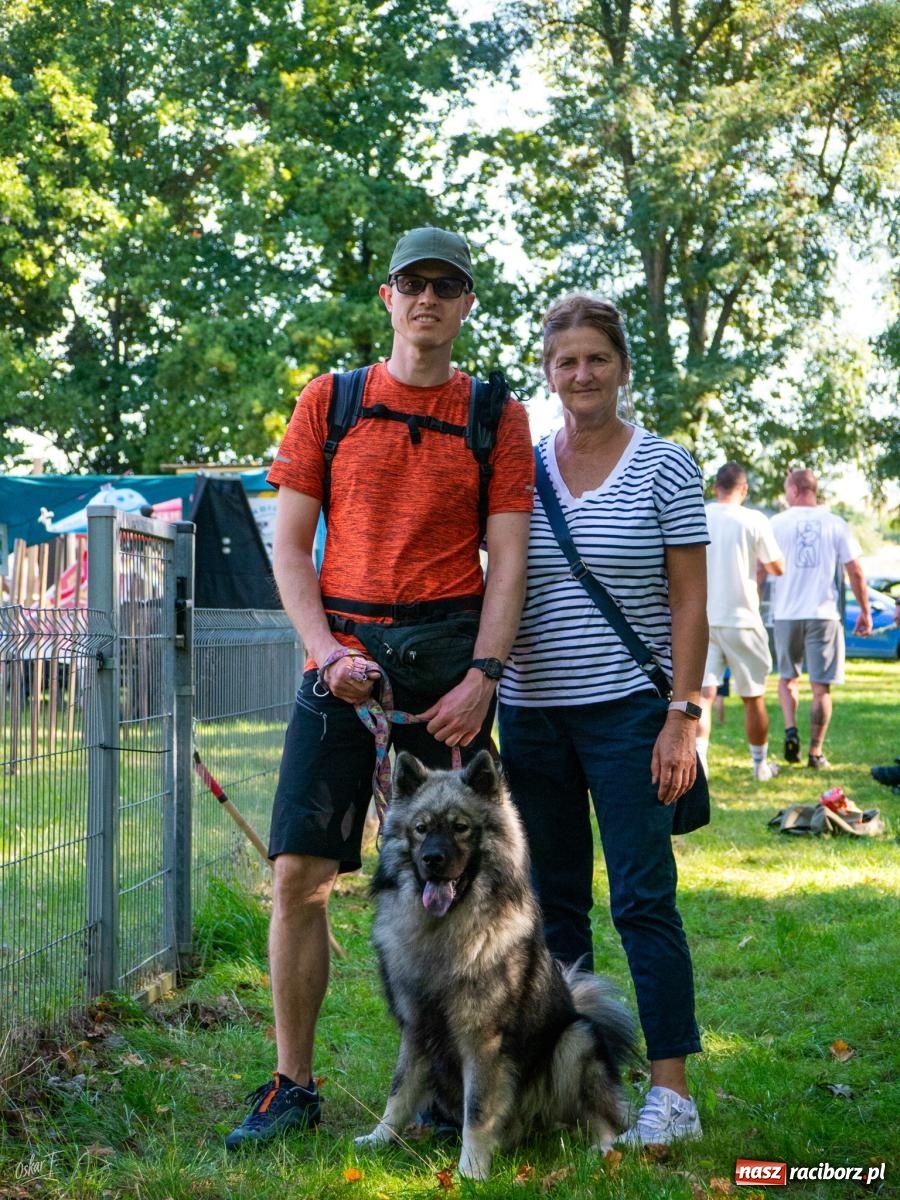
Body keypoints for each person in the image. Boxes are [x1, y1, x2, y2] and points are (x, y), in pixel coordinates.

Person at [225, 226, 535, 1150]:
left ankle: (454, 1091)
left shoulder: (496, 414)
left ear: (466, 303)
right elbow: (288, 547)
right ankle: (293, 1084)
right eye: (413, 283)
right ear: (388, 298)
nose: (429, 298)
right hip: (343, 655)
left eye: (448, 285)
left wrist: (483, 677)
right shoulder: (333, 400)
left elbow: (509, 560)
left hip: (450, 663)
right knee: (298, 875)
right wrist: (325, 653)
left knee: (468, 882)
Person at [497, 294, 709, 1148]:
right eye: (565, 362)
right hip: (531, 715)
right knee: (551, 910)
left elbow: (691, 597)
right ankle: (575, 1083)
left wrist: (682, 715)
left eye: (596, 359)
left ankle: (672, 1097)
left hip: (630, 713)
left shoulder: (664, 464)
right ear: (547, 375)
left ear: (622, 367)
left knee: (643, 900)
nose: (581, 375)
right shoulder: (521, 467)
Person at [770, 468, 872, 769]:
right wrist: (865, 611)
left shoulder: (776, 523)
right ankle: (815, 753)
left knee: (787, 679)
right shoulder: (835, 523)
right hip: (823, 614)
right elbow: (855, 571)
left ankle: (791, 731)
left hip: (786, 613)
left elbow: (761, 570)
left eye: (787, 488)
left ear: (797, 489)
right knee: (820, 688)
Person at [696, 462, 784, 781]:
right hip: (742, 618)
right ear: (743, 490)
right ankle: (760, 766)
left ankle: (700, 765)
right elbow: (777, 567)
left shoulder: (700, 514)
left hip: (702, 618)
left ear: (715, 487)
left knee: (702, 695)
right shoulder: (753, 519)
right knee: (753, 696)